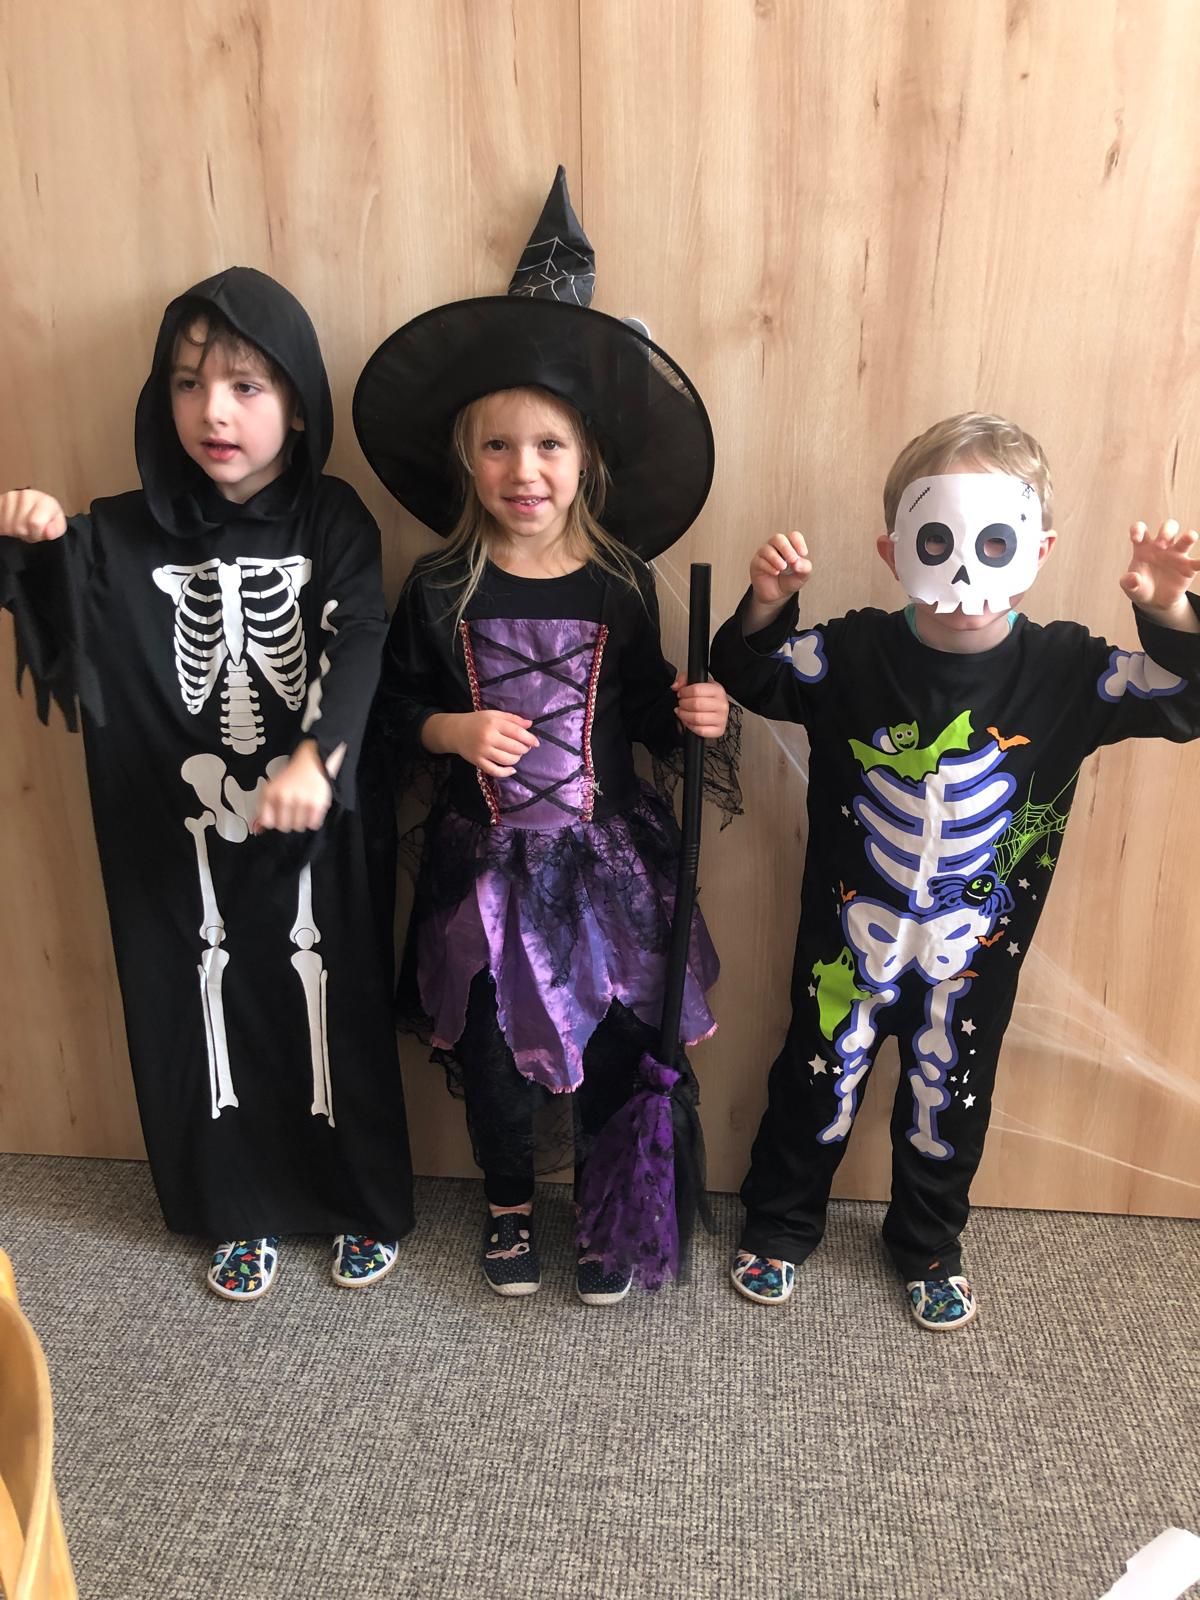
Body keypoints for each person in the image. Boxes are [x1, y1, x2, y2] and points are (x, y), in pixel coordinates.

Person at [710, 411, 1200, 1328]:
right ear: (895, 551)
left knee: (950, 1092)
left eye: (996, 542)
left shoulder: (1070, 671)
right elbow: (749, 671)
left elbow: (1188, 695)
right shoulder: (850, 653)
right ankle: (779, 1221)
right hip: (850, 940)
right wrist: (769, 602)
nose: (966, 571)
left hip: (974, 951)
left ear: (1039, 550)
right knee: (817, 1073)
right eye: (937, 541)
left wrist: (1168, 609)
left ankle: (929, 1242)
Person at [0, 267, 414, 1300]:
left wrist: (318, 757)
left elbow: (360, 635)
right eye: (188, 385)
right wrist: (33, 543)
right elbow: (54, 628)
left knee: (332, 989)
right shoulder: (120, 532)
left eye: (244, 386)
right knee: (193, 989)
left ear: (297, 403)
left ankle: (356, 1198)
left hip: (313, 812)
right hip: (177, 816)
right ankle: (234, 1204)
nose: (213, 412)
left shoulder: (332, 519)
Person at [354, 169, 730, 1304]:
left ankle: (611, 1205)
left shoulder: (620, 584)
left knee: (615, 1038)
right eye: (499, 447)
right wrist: (452, 725)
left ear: (587, 461)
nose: (525, 472)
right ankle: (510, 1203)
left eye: (550, 446)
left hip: (607, 860)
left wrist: (694, 711)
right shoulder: (439, 587)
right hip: (484, 867)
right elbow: (391, 711)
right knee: (493, 1049)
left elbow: (649, 706)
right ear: (464, 460)